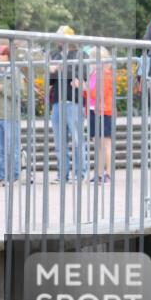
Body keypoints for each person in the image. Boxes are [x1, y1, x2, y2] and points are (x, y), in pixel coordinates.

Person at [49, 27, 87, 184]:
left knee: (77, 141)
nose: (59, 40)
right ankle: (62, 174)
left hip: (74, 102)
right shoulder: (55, 55)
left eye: (62, 37)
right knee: (59, 142)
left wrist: (64, 69)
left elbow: (82, 78)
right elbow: (51, 79)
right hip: (58, 102)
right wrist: (53, 70)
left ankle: (80, 174)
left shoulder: (80, 55)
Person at [0, 44, 24, 186]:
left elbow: (19, 93)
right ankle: (1, 176)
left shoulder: (15, 72)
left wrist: (1, 88)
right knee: (0, 149)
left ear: (7, 56)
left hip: (10, 116)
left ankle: (13, 176)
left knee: (11, 147)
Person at [86, 47, 115, 184]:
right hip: (93, 110)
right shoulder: (94, 74)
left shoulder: (106, 73)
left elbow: (100, 94)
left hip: (104, 111)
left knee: (106, 143)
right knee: (97, 143)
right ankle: (98, 174)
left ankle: (108, 174)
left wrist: (84, 88)